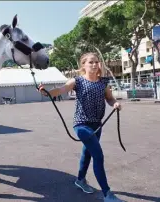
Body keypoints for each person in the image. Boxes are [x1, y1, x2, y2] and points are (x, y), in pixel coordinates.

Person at [38, 52, 123, 202]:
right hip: (82, 124)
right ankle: (107, 194)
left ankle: (80, 180)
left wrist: (114, 103)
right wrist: (47, 93)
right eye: (90, 62)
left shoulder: (103, 82)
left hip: (97, 125)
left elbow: (109, 98)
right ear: (83, 65)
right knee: (98, 155)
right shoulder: (77, 81)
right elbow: (61, 90)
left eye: (96, 62)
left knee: (88, 153)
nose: (95, 64)